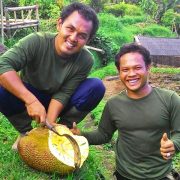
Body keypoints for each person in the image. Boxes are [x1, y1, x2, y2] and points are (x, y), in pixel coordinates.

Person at [0, 2, 105, 150]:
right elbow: (3, 65)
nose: (73, 38)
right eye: (70, 28)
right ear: (59, 24)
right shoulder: (36, 41)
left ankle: (59, 131)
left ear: (88, 40)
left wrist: (48, 124)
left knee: (96, 87)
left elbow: (64, 93)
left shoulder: (86, 60)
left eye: (82, 36)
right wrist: (30, 101)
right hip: (29, 94)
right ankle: (26, 132)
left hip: (57, 99)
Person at [71, 43, 180, 179]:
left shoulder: (170, 99)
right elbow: (104, 134)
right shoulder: (113, 104)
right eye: (125, 69)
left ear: (148, 67)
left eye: (137, 68)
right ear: (119, 72)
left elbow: (178, 132)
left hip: (161, 175)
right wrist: (81, 135)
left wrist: (173, 145)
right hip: (125, 175)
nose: (131, 74)